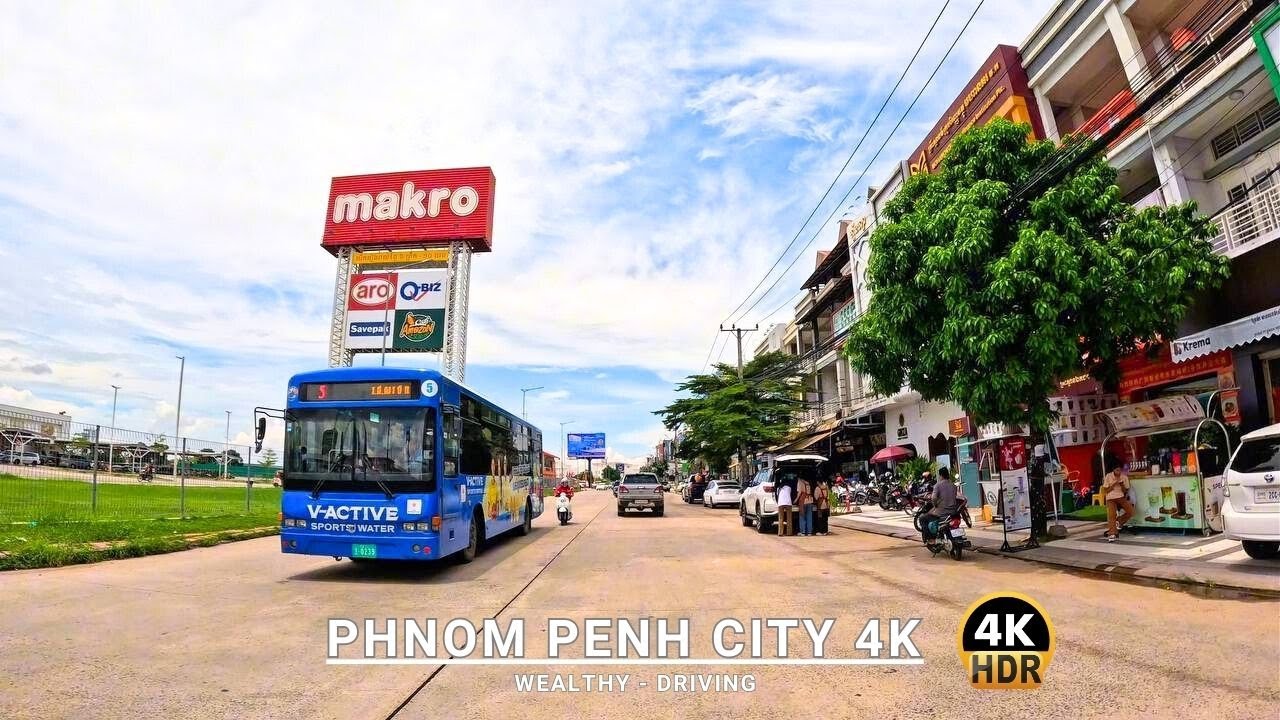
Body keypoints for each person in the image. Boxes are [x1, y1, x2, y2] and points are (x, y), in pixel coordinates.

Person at [1101, 461, 1134, 542]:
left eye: (1120, 470)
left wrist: (1122, 484)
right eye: (1116, 470)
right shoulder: (1108, 476)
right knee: (1111, 515)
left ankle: (1119, 521)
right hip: (1110, 498)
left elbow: (1125, 491)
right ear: (1113, 470)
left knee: (1131, 511)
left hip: (1120, 497)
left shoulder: (1124, 477)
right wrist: (1113, 484)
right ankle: (1112, 533)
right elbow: (1106, 490)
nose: (1118, 472)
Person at [922, 467, 958, 540]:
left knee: (922, 518)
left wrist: (935, 505)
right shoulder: (953, 485)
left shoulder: (937, 485)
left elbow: (933, 498)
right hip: (953, 512)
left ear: (940, 475)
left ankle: (930, 539)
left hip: (942, 512)